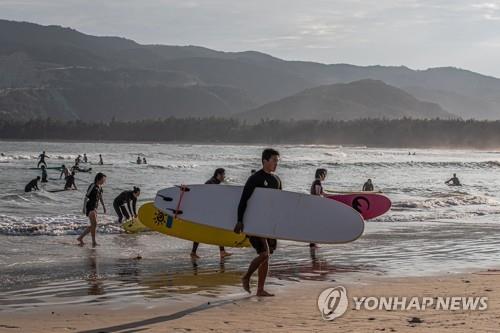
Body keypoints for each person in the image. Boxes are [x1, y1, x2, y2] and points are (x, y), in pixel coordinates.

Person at [234, 148, 281, 297]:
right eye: (274, 160)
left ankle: (260, 289)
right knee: (264, 253)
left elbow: (278, 203)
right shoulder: (254, 178)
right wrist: (240, 220)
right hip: (254, 222)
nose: (276, 164)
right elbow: (243, 200)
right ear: (264, 161)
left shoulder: (276, 180)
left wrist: (278, 223)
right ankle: (246, 277)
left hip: (267, 222)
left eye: (277, 161)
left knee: (267, 255)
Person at [191, 168, 232, 259]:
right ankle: (193, 252)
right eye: (223, 175)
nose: (224, 177)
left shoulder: (215, 183)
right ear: (218, 174)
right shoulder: (210, 183)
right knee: (202, 231)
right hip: (206, 212)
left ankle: (222, 251)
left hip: (211, 212)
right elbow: (206, 197)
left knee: (219, 230)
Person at [77, 173, 106, 247]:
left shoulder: (100, 187)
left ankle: (80, 238)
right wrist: (83, 208)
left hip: (95, 207)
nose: (104, 181)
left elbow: (100, 198)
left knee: (94, 225)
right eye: (103, 179)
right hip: (90, 206)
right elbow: (86, 197)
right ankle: (93, 242)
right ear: (99, 178)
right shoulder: (92, 185)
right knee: (94, 224)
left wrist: (103, 206)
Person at [309, 168, 327, 249]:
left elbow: (320, 193)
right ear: (321, 174)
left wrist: (329, 194)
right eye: (325, 174)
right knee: (315, 224)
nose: (325, 176)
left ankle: (312, 242)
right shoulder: (318, 182)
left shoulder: (315, 182)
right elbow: (317, 194)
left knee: (314, 224)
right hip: (315, 206)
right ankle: (313, 243)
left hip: (313, 205)